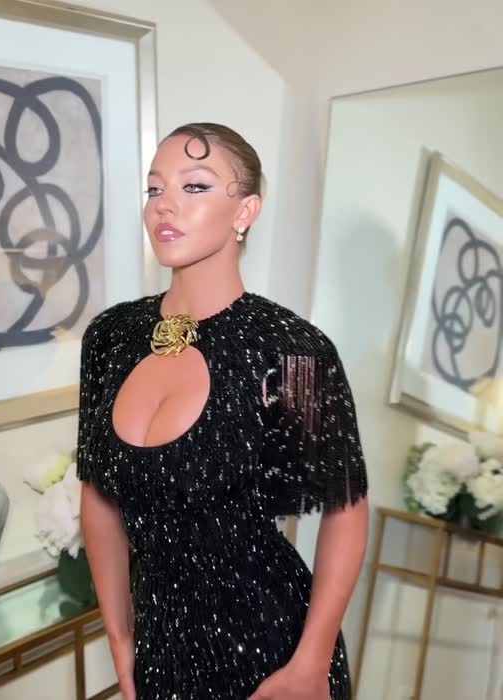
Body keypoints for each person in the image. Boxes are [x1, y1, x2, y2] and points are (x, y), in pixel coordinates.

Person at [77, 122, 369, 700]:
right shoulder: (110, 336)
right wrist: (120, 639)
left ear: (246, 211)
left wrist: (311, 663)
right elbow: (98, 496)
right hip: (159, 648)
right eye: (155, 188)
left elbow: (345, 511)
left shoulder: (292, 349)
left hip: (272, 652)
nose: (165, 206)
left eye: (195, 186)